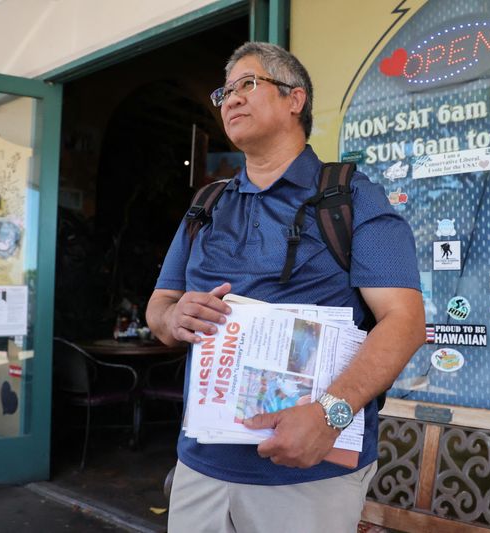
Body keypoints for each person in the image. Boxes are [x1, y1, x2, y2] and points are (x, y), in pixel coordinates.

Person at [146, 41, 424, 533]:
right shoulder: (207, 203)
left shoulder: (351, 197)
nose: (230, 99)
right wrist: (172, 318)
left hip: (307, 475)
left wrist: (330, 415)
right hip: (199, 467)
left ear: (294, 99)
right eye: (225, 91)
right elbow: (159, 308)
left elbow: (404, 323)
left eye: (247, 85)